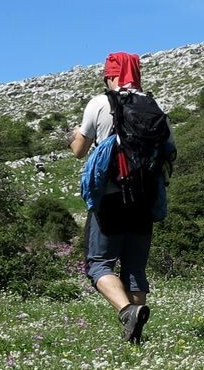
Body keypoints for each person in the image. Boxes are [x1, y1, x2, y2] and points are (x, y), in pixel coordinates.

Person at [72, 52, 174, 342]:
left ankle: (127, 311)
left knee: (99, 264)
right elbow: (170, 149)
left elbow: (79, 149)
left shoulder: (100, 103)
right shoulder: (155, 106)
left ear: (111, 75)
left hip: (111, 198)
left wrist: (74, 136)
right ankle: (135, 333)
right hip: (144, 198)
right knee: (135, 268)